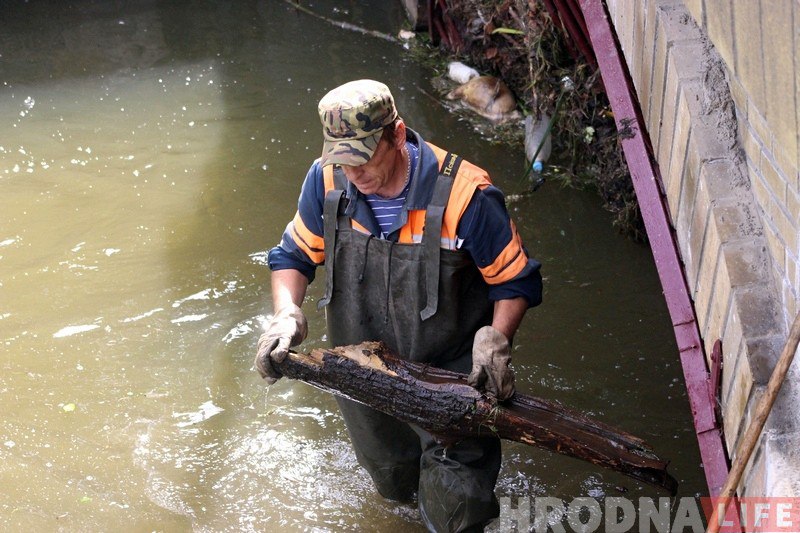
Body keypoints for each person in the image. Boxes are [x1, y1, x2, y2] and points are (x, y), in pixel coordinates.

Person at [255, 79, 542, 532]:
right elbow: (293, 256)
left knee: (458, 511)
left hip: (452, 381)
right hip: (366, 380)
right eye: (343, 161)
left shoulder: (466, 195)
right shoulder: (326, 181)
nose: (355, 175)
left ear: (398, 135)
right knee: (396, 493)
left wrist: (497, 337)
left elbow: (515, 280)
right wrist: (287, 311)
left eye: (365, 158)